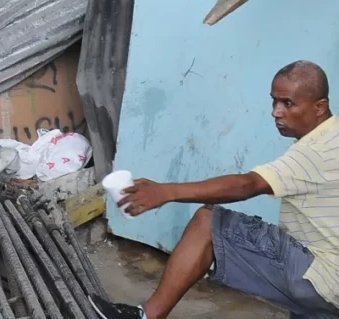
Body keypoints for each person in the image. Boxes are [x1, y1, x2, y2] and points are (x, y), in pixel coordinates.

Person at [90, 61, 339, 319]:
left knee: (207, 223)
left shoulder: (313, 152)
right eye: (274, 101)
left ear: (319, 107)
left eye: (288, 103)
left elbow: (248, 184)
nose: (276, 112)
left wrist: (166, 192)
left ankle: (147, 316)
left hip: (321, 277)